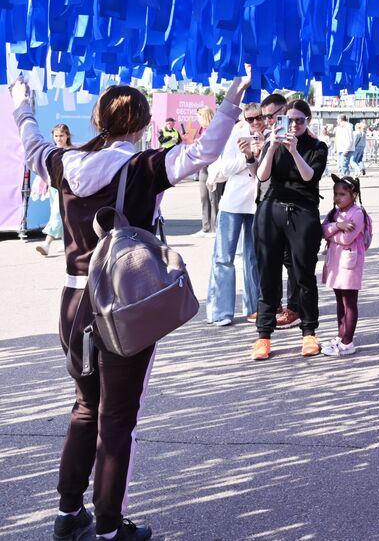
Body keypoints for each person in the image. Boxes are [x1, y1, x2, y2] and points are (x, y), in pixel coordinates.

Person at [12, 68, 251, 541]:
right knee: (118, 416)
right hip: (122, 302)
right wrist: (229, 103)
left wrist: (23, 102)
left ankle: (67, 513)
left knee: (85, 406)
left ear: (98, 120)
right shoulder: (143, 167)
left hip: (73, 299)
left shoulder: (63, 163)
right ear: (141, 124)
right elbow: (202, 152)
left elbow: (31, 137)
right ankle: (108, 525)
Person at [250, 99, 330, 361]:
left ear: (309, 121)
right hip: (271, 208)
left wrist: (295, 151)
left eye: (300, 120)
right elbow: (262, 176)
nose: (294, 125)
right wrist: (272, 148)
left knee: (303, 273)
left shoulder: (317, 146)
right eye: (290, 120)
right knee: (268, 273)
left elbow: (309, 177)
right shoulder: (274, 140)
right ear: (280, 120)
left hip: (303, 210)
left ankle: (309, 332)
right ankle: (263, 335)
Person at [206, 103, 264, 326]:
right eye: (250, 119)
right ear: (244, 119)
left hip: (257, 203)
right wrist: (247, 156)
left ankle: (253, 308)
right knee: (224, 257)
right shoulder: (236, 135)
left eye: (259, 117)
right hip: (233, 202)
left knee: (253, 257)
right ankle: (220, 311)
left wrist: (259, 152)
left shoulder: (269, 135)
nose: (256, 122)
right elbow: (226, 167)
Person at [321, 176, 372, 357]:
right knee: (339, 302)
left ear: (354, 194)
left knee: (349, 302)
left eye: (342, 194)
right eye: (336, 194)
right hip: (336, 262)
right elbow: (323, 229)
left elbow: (346, 239)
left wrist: (332, 233)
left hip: (350, 263)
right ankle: (341, 335)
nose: (338, 198)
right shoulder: (336, 213)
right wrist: (338, 226)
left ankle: (347, 341)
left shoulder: (357, 213)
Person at [33, 124, 73, 257]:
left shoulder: (72, 151)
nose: (59, 138)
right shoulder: (52, 150)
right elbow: (44, 168)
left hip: (65, 186)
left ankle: (47, 244)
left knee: (57, 213)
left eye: (61, 135)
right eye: (56, 136)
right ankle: (65, 242)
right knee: (57, 213)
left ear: (67, 135)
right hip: (53, 187)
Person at [195, 106, 221, 236]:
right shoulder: (201, 130)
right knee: (204, 197)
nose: (197, 120)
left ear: (204, 116)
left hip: (213, 165)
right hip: (203, 165)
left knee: (213, 198)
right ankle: (205, 227)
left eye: (199, 117)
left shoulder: (214, 129)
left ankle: (215, 227)